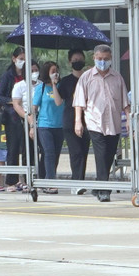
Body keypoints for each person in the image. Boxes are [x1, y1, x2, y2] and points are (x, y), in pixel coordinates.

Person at [74, 44, 128, 202]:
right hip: (94, 121)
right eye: (99, 59)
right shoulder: (87, 77)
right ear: (94, 58)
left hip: (114, 122)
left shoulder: (117, 77)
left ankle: (98, 186)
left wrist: (129, 119)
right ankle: (105, 191)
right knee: (100, 153)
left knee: (109, 155)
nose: (102, 62)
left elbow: (125, 102)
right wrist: (78, 121)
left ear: (110, 59)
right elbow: (79, 101)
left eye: (105, 59)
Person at [29, 61, 65, 192]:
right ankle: (50, 181)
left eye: (57, 70)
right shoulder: (41, 88)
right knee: (48, 152)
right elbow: (34, 108)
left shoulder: (60, 86)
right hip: (44, 125)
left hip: (59, 126)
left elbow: (58, 102)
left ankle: (45, 178)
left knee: (55, 154)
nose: (55, 73)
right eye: (52, 71)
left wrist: (55, 85)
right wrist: (32, 126)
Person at [0, 48, 29, 190]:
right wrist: (14, 102)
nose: (23, 62)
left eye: (25, 59)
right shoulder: (7, 75)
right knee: (13, 148)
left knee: (27, 148)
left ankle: (28, 179)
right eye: (20, 58)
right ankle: (11, 181)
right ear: (14, 58)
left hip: (27, 114)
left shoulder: (28, 74)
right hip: (12, 116)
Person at [59, 50, 89, 190]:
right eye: (75, 59)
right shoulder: (65, 81)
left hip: (87, 120)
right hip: (70, 121)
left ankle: (80, 181)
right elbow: (59, 100)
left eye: (80, 59)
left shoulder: (89, 78)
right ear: (70, 62)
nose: (78, 61)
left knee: (83, 152)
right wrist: (54, 83)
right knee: (75, 152)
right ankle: (76, 183)